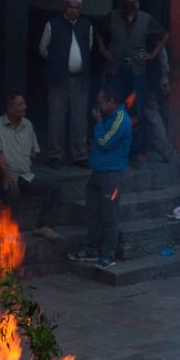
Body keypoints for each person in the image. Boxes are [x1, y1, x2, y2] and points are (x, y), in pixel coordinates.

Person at [96, 0, 168, 167]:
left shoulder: (146, 19)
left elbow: (164, 35)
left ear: (136, 2)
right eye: (123, 0)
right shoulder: (113, 16)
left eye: (128, 1)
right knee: (113, 109)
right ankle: (113, 149)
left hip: (137, 72)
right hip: (116, 70)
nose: (125, 3)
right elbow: (98, 30)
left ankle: (137, 152)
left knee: (136, 112)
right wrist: (104, 49)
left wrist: (152, 54)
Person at [68, 87, 132, 269]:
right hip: (98, 173)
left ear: (111, 102)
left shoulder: (120, 120)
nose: (99, 107)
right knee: (94, 214)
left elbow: (104, 142)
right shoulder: (108, 119)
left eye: (101, 103)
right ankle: (91, 249)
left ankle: (108, 254)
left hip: (113, 176)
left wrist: (98, 123)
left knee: (110, 216)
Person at [0, 93, 61, 241]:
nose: (24, 107)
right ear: (9, 108)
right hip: (2, 174)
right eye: (20, 105)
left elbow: (34, 153)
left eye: (24, 104)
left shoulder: (28, 125)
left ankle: (42, 226)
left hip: (25, 175)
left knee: (53, 185)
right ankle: (9, 229)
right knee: (13, 189)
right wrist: (7, 174)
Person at [39, 0, 93, 167]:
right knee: (57, 118)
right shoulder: (52, 24)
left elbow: (89, 47)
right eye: (70, 7)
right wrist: (58, 63)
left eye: (76, 7)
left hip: (80, 80)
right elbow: (43, 49)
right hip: (58, 80)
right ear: (64, 7)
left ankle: (79, 154)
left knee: (79, 119)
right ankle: (56, 155)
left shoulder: (86, 26)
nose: (73, 11)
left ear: (80, 8)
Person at [144, 47, 177, 162]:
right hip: (142, 76)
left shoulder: (153, 32)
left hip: (149, 78)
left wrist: (164, 78)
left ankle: (166, 152)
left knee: (151, 114)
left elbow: (161, 47)